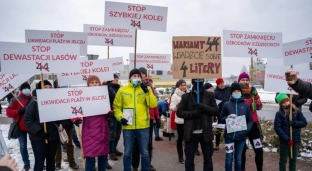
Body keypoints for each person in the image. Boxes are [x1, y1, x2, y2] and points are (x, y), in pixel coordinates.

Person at [113, 68, 157, 171]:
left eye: (138, 76)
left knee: (145, 153)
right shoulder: (123, 90)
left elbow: (153, 104)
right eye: (134, 76)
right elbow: (116, 107)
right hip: (128, 126)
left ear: (141, 78)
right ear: (130, 78)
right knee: (128, 152)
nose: (136, 78)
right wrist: (121, 118)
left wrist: (147, 92)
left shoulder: (146, 89)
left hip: (143, 126)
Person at [177, 78, 219, 171]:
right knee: (189, 160)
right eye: (196, 81)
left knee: (208, 159)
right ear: (192, 82)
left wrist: (203, 107)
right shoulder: (186, 97)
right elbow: (179, 112)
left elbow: (216, 111)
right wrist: (192, 113)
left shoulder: (210, 96)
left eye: (200, 81)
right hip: (191, 133)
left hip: (206, 133)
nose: (198, 83)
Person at [73, 75, 111, 171]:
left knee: (103, 157)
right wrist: (75, 119)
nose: (94, 84)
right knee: (90, 158)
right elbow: (75, 109)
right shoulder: (83, 95)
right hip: (89, 130)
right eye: (92, 83)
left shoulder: (104, 94)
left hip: (102, 129)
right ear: (88, 84)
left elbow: (108, 109)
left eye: (96, 82)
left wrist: (110, 113)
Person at [24, 80, 60, 171]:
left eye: (49, 87)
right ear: (40, 89)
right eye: (45, 87)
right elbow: (28, 120)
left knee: (51, 160)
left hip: (53, 136)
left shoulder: (56, 102)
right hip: (38, 138)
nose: (48, 89)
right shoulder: (34, 103)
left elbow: (61, 116)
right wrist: (39, 131)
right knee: (40, 161)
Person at [220, 83, 253, 171]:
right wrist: (228, 117)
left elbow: (250, 120)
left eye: (238, 91)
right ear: (231, 93)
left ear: (241, 92)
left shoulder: (246, 105)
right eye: (234, 91)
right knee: (229, 158)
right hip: (229, 136)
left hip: (241, 136)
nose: (236, 93)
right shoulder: (227, 104)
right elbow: (221, 118)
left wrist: (247, 129)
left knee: (238, 159)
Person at [132, 68, 159, 171]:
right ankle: (135, 165)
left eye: (143, 74)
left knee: (148, 144)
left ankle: (148, 163)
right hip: (136, 119)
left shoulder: (149, 87)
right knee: (135, 144)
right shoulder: (131, 87)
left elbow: (154, 103)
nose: (142, 75)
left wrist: (157, 116)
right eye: (140, 74)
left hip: (149, 119)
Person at [274, 93, 307, 171]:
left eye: (287, 101)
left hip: (295, 140)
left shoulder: (296, 111)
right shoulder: (279, 114)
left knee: (293, 160)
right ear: (280, 104)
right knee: (283, 160)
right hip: (284, 141)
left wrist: (294, 123)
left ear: (289, 100)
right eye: (283, 102)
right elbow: (277, 128)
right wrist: (287, 139)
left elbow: (304, 122)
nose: (286, 103)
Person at [238, 72, 263, 171]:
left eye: (247, 80)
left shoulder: (253, 92)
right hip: (240, 125)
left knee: (259, 150)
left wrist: (253, 104)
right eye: (243, 80)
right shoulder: (236, 92)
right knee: (241, 151)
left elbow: (260, 105)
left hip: (253, 124)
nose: (245, 81)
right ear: (239, 81)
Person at [6, 82, 33, 171]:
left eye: (28, 88)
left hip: (32, 127)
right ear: (21, 90)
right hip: (20, 128)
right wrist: (18, 111)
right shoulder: (15, 100)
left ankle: (40, 161)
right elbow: (8, 113)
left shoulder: (33, 99)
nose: (27, 90)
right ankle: (26, 163)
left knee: (36, 146)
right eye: (25, 88)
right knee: (23, 146)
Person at [53, 80, 79, 170]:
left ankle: (71, 161)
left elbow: (73, 108)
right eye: (59, 85)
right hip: (56, 125)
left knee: (69, 144)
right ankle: (57, 163)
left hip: (68, 124)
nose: (61, 87)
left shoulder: (69, 96)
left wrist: (75, 119)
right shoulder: (52, 97)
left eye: (62, 85)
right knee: (57, 145)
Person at [170, 79, 189, 164]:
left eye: (185, 85)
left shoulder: (189, 94)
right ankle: (180, 157)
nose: (184, 86)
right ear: (178, 86)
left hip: (188, 119)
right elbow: (171, 107)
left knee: (188, 139)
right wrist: (178, 106)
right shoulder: (175, 95)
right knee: (180, 139)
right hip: (180, 120)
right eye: (181, 85)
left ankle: (188, 155)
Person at [107, 74, 123, 167]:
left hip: (119, 114)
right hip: (111, 115)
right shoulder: (107, 89)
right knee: (112, 134)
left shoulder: (119, 89)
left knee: (118, 133)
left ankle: (115, 147)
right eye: (115, 79)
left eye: (117, 79)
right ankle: (111, 151)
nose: (117, 80)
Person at [214, 78, 231, 150]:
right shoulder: (215, 92)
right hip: (220, 112)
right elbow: (213, 102)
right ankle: (217, 144)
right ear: (217, 85)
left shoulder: (228, 89)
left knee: (229, 127)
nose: (222, 85)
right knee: (219, 128)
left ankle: (229, 143)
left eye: (222, 83)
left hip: (228, 111)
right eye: (220, 84)